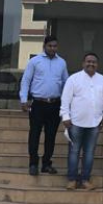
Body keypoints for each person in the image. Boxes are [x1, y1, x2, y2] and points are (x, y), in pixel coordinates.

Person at [19, 35, 68, 176]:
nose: (52, 48)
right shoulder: (35, 61)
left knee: (51, 136)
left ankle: (46, 164)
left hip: (55, 104)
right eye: (50, 46)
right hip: (38, 104)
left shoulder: (62, 63)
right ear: (44, 46)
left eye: (55, 46)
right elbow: (26, 80)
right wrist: (23, 99)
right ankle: (33, 164)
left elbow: (66, 83)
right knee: (34, 134)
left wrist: (67, 103)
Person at [60, 53, 103, 190]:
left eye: (94, 62)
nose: (91, 64)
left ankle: (85, 180)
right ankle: (72, 180)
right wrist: (65, 116)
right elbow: (65, 99)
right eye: (88, 61)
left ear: (97, 64)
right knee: (74, 152)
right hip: (75, 122)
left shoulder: (102, 80)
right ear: (83, 63)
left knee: (89, 153)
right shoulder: (73, 79)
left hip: (95, 123)